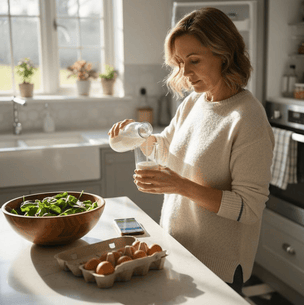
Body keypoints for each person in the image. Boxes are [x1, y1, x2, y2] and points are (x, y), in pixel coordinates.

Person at [108, 7, 274, 294]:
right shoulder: (194, 103)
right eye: (180, 62)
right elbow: (165, 149)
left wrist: (180, 185)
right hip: (177, 249)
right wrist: (134, 135)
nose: (185, 72)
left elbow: (249, 209)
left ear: (225, 55)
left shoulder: (247, 118)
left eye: (194, 60)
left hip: (217, 268)